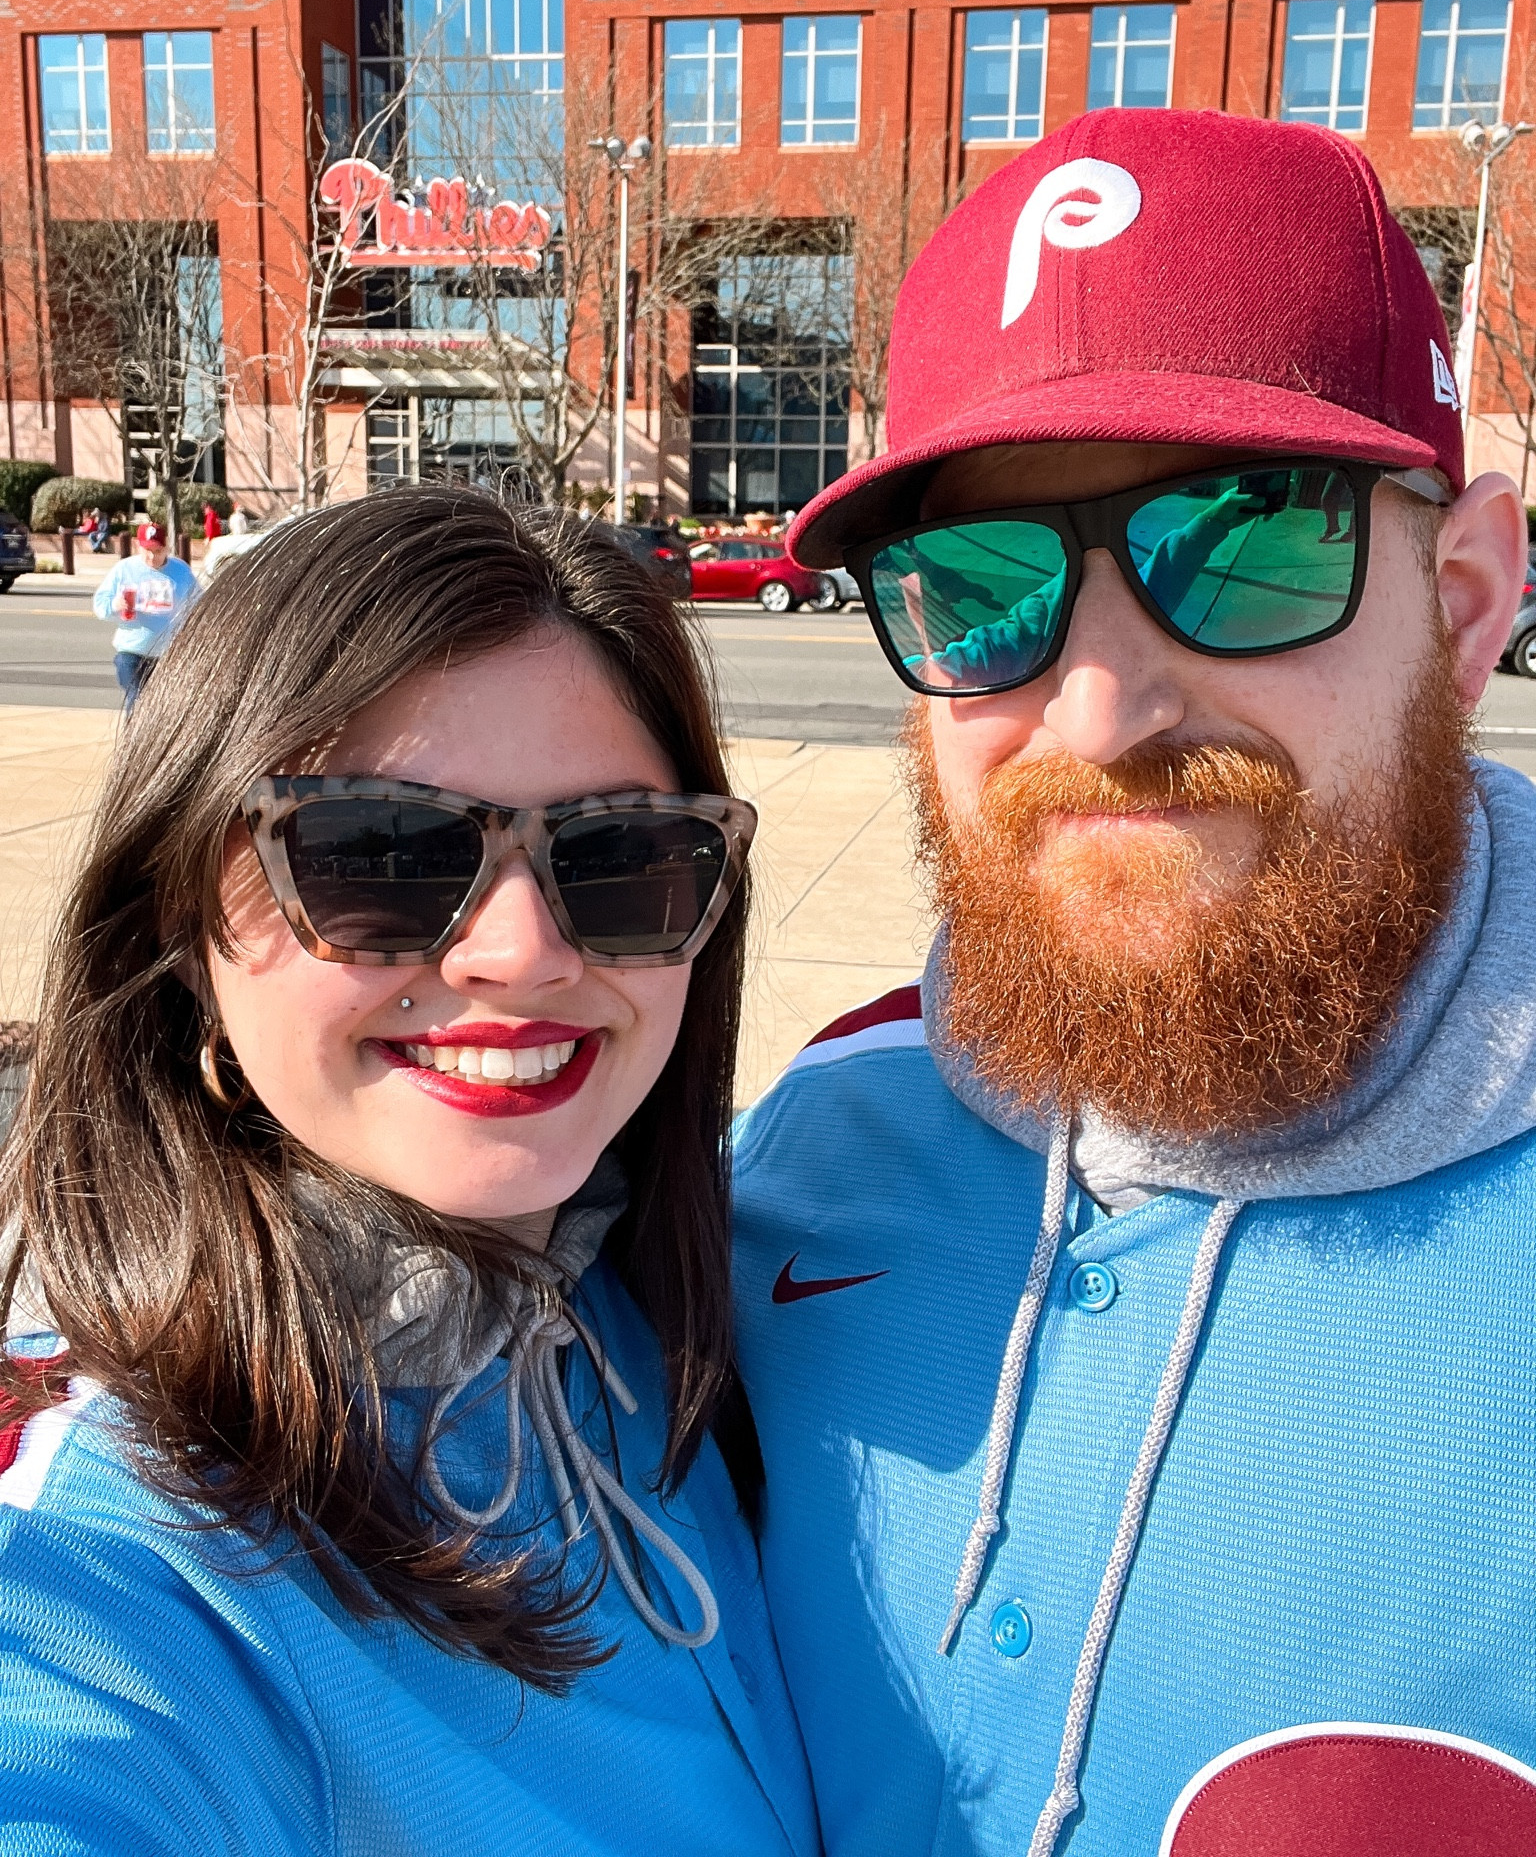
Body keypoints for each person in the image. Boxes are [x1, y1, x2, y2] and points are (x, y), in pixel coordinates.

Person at [732, 107, 1536, 1854]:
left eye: (1241, 541)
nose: (1098, 711)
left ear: (1468, 598)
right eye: (979, 586)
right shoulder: (804, 1156)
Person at [0, 493, 816, 1857]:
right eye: (374, 854)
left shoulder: (671, 1312)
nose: (521, 952)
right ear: (182, 930)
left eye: (618, 858)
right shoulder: (130, 1555)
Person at [91, 520, 199, 709]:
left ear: (166, 547)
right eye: (146, 550)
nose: (151, 557)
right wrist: (114, 605)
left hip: (167, 654)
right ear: (137, 546)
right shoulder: (124, 569)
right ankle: (132, 738)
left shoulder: (181, 571)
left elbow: (198, 603)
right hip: (132, 651)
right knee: (137, 700)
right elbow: (100, 604)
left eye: (157, 551)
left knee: (163, 706)